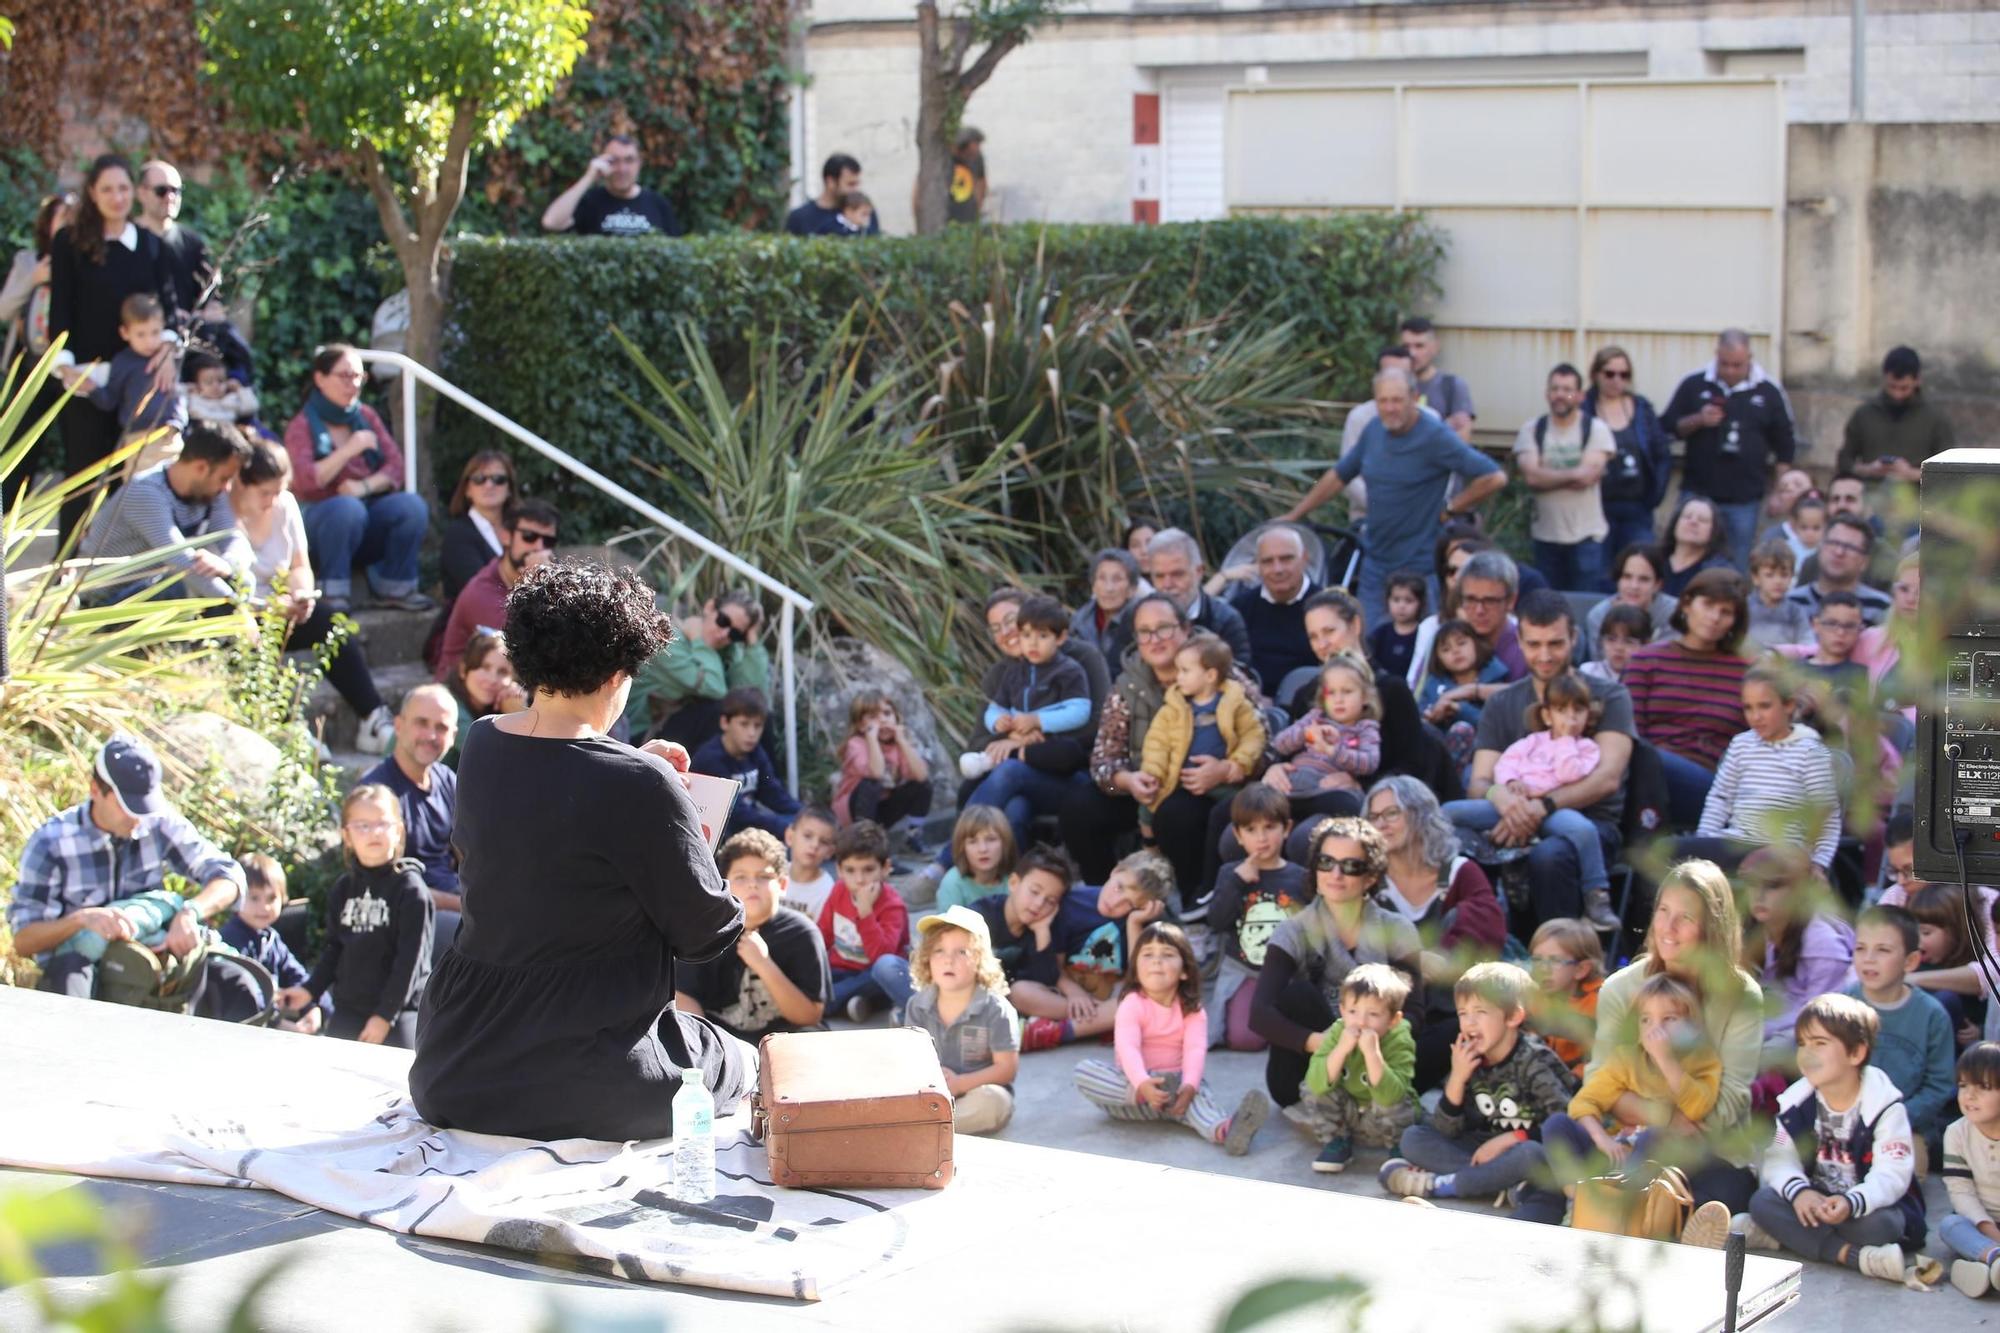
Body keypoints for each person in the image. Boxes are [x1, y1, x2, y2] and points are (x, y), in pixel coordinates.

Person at [410, 556, 759, 1140]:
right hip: (593, 1076)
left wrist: (642, 775)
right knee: (736, 1059)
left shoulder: (482, 745)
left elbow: (557, 805)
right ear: (616, 674)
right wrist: (671, 807)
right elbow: (708, 933)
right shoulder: (641, 786)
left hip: (457, 1067)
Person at [1587, 860, 1766, 1232]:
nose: (1668, 928)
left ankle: (1640, 1219)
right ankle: (1656, 1221)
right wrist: (1668, 1117)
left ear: (1712, 927)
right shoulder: (1621, 989)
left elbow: (1731, 1101)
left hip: (1709, 1147)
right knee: (1563, 1136)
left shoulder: (1742, 995)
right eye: (1663, 911)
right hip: (1629, 1137)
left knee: (1722, 1193)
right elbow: (1599, 1086)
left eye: (1684, 917)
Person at [7, 735, 245, 1000]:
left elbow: (230, 877)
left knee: (239, 983)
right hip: (80, 972)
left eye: (145, 805)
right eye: (127, 805)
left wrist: (190, 912)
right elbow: (24, 942)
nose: (137, 817)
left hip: (148, 960)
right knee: (70, 976)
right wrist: (80, 920)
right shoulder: (51, 843)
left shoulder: (157, 822)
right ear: (95, 790)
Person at [1280, 366, 1504, 627]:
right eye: (1383, 401)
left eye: (1397, 400)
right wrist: (1294, 515)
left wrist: (1451, 508)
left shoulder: (1435, 435)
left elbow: (1494, 478)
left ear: (1414, 397)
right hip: (1376, 564)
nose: (1390, 408)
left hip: (1420, 567)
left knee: (1423, 648)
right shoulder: (1374, 431)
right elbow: (1338, 476)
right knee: (1368, 643)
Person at [1467, 592, 1636, 932]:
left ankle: (1562, 964)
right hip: (1508, 817)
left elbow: (1606, 778)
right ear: (1519, 641)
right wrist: (1504, 800)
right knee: (1455, 840)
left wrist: (1540, 807)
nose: (1544, 655)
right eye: (1534, 644)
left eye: (1555, 643)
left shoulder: (1610, 696)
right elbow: (1479, 782)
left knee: (1549, 857)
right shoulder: (1503, 702)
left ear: (1574, 638)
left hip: (1590, 824)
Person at [1744, 994, 1933, 1285]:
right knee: (1762, 1201)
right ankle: (1854, 1256)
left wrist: (1851, 1201)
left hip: (1864, 1207)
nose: (1807, 1054)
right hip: (1816, 1200)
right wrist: (1801, 1193)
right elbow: (1779, 1157)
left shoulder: (1884, 1107)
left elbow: (1891, 1175)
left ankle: (1782, 1237)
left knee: (1880, 1226)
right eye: (1803, 1044)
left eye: (1820, 1043)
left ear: (1856, 1053)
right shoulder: (1796, 1104)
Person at [1062, 593, 1239, 893]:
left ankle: (1193, 903)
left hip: (1203, 787)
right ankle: (1108, 896)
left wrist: (1225, 769)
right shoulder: (1126, 686)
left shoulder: (1218, 673)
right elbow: (1104, 760)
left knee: (1176, 814)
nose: (1154, 639)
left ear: (1186, 629)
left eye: (1164, 628)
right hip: (1142, 789)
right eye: (1144, 632)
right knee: (1079, 807)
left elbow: (1263, 738)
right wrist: (1127, 781)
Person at [1376, 961, 1576, 1224]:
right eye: (1462, 1013)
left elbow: (1565, 1121)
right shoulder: (1468, 1055)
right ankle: (1501, 1183)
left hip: (1526, 1147)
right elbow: (1446, 1130)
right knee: (1413, 1138)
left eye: (1480, 1011)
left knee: (1531, 1155)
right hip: (1480, 1150)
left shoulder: (1533, 1060)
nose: (1469, 1022)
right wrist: (1457, 1078)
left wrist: (1512, 1138)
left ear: (1513, 1017)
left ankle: (1440, 1185)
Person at [231, 437, 396, 755]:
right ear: (242, 483)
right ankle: (283, 727)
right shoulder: (221, 511)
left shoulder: (285, 505)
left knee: (333, 627)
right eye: (265, 492)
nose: (273, 500)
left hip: (285, 609)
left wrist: (302, 595)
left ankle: (372, 716)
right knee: (250, 643)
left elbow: (300, 565)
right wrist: (267, 607)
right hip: (243, 614)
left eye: (278, 491)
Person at [48, 155, 182, 540]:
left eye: (123, 188)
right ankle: (66, 571)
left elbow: (170, 309)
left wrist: (169, 351)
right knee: (82, 478)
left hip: (138, 382)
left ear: (134, 192)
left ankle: (118, 577)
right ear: (93, 193)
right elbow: (62, 308)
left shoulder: (152, 246)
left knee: (132, 483)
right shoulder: (69, 243)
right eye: (107, 189)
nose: (117, 197)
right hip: (87, 380)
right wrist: (66, 367)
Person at [1248, 817, 1424, 1107]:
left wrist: (1371, 1041)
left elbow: (1415, 1013)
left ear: (1370, 877)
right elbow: (1259, 1014)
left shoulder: (1398, 929)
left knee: (1449, 1032)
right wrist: (1326, 1044)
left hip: (1379, 1053)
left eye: (1351, 866)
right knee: (1297, 994)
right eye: (1326, 862)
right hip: (1318, 1061)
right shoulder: (1294, 929)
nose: (1336, 874)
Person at [1070, 921, 1270, 1153]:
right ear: (1136, 966)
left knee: (1200, 1102)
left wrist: (1189, 1086)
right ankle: (1157, 1093)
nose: (1157, 960)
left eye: (1167, 954)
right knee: (1084, 1071)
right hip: (1133, 1094)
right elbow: (1128, 1048)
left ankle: (1225, 1131)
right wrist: (1143, 1085)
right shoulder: (1132, 1003)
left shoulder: (1192, 1010)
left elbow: (1194, 1051)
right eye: (1148, 954)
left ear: (1184, 970)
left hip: (1178, 1095)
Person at [1364, 775, 1506, 1091]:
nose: (1381, 824)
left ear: (1419, 814)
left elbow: (1490, 932)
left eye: (1392, 814)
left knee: (1465, 917)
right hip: (1393, 1011)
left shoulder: (1459, 871)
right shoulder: (1369, 879)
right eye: (1374, 817)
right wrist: (1413, 962)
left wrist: (1441, 956)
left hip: (1453, 1005)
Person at [1446, 671, 1613, 923]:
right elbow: (1504, 763)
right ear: (1547, 715)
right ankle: (1440, 878)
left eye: (1577, 711)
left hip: (1551, 810)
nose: (1570, 717)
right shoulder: (1532, 741)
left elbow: (1570, 774)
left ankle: (1597, 895)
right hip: (1513, 804)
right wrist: (1510, 784)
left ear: (1588, 715)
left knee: (1584, 830)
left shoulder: (1586, 748)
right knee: (1449, 811)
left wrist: (1567, 739)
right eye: (1561, 710)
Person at [277, 784, 433, 1047]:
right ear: (346, 836)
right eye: (362, 825)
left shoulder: (411, 891)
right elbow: (335, 949)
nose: (374, 832)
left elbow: (410, 962)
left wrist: (384, 1016)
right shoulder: (343, 889)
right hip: (350, 1008)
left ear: (399, 831)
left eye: (383, 823)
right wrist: (309, 990)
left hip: (399, 1011)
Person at [284, 343, 432, 614]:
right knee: (346, 508)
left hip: (365, 513)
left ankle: (395, 588)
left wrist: (363, 486)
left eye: (359, 377)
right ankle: (333, 593)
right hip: (320, 523)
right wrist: (349, 450)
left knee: (411, 507)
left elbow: (396, 467)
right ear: (320, 378)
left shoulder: (366, 416)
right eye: (345, 376)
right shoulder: (301, 426)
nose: (353, 384)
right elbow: (305, 481)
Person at [1543, 973, 1722, 1174]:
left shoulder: (1702, 1059)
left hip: (1668, 1160)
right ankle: (1576, 1197)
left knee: (1653, 1137)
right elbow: (1582, 1104)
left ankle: (1625, 1199)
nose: (1656, 1028)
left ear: (1692, 1026)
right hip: (1622, 1151)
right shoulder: (1626, 1059)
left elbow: (1697, 1108)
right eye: (1646, 1019)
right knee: (1556, 1124)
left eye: (1669, 1019)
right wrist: (1602, 1140)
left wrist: (1665, 1060)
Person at [673, 828, 830, 1043]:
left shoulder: (802, 933)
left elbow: (810, 1016)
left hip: (782, 1042)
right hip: (722, 1042)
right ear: (724, 884)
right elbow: (683, 996)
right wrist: (703, 1047)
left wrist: (764, 964)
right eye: (740, 877)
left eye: (764, 876)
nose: (752, 884)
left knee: (814, 1038)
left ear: (783, 885)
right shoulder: (706, 931)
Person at [1623, 567, 1752, 828]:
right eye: (1708, 605)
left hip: (1710, 783)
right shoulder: (1646, 660)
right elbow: (1630, 731)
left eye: (1726, 612)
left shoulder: (1745, 672)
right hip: (1646, 772)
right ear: (1687, 604)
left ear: (1734, 622)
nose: (1715, 617)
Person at [1661, 330, 1799, 570]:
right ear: (1716, 355)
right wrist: (1698, 419)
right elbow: (1667, 428)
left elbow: (1785, 447)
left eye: (1738, 365)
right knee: (1684, 557)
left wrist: (1780, 492)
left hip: (1744, 498)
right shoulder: (1694, 383)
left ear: (1750, 358)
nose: (1731, 371)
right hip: (1696, 494)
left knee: (1737, 563)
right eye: (1725, 364)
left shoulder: (1769, 390)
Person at [1683, 667, 1840, 873]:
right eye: (1748, 708)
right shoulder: (1741, 744)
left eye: (1764, 706)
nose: (1755, 716)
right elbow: (1721, 798)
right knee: (1667, 852)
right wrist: (1704, 841)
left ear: (1789, 705)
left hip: (1780, 849)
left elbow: (1826, 814)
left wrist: (1819, 864)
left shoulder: (1810, 750)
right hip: (1735, 842)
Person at [78, 418, 251, 605]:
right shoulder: (145, 492)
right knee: (179, 584)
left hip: (153, 588)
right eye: (224, 478)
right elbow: (181, 562)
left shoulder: (210, 491)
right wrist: (242, 609)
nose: (227, 488)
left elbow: (235, 539)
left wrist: (228, 564)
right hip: (104, 599)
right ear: (201, 467)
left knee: (244, 578)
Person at [1137, 634, 1265, 854]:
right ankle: (1151, 851)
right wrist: (1153, 771)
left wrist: (1236, 765)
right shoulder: (1173, 708)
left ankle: (1246, 851)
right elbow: (1156, 742)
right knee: (1147, 808)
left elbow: (1253, 736)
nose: (1179, 677)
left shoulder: (1235, 704)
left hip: (1223, 782)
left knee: (1241, 810)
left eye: (1185, 671)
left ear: (1210, 675)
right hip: (1178, 781)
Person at [1844, 905, 1955, 1152]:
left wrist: (1896, 1118)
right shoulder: (1839, 1006)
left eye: (1883, 950)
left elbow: (1939, 1085)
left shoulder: (1932, 1016)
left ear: (1911, 960)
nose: (1869, 958)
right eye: (1861, 948)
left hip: (1906, 1125)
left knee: (1906, 1172)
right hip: (1843, 1121)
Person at [359, 685, 461, 955]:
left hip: (453, 895)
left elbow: (472, 853)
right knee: (478, 932)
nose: (430, 735)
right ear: (399, 726)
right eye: (421, 723)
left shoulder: (448, 781)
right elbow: (387, 889)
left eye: (441, 728)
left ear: (453, 737)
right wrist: (465, 905)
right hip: (407, 914)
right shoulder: (376, 794)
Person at [904, 904, 1019, 1136]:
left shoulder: (996, 1009)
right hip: (931, 1093)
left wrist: (960, 1084)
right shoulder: (917, 1005)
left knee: (994, 1103)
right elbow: (907, 1061)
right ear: (926, 958)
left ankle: (930, 1131)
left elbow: (1007, 1069)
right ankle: (931, 1127)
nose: (949, 960)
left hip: (977, 1091)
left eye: (962, 952)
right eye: (939, 951)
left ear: (979, 960)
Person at [1297, 962, 1420, 1173]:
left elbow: (1392, 1095)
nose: (1361, 1022)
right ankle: (1336, 1141)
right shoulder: (1339, 1032)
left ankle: (1399, 1148)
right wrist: (1341, 1050)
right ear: (1342, 1010)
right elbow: (1316, 1082)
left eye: (1373, 1014)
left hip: (1383, 1119)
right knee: (1309, 1086)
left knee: (1399, 1102)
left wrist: (1373, 1054)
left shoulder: (1399, 1038)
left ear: (1393, 1020)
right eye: (1353, 1011)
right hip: (1350, 1114)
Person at [1740, 848, 1856, 1065]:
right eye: (1752, 884)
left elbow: (1821, 1016)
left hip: (1814, 1033)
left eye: (1773, 886)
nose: (1759, 895)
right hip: (1772, 1020)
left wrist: (1757, 1030)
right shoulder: (1760, 928)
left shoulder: (1824, 942)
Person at [622, 588, 769, 750]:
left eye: (735, 634)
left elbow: (753, 696)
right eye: (723, 621)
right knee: (715, 712)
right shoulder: (670, 642)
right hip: (638, 737)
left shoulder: (723, 652)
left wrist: (752, 643)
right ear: (710, 607)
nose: (724, 634)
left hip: (673, 731)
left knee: (755, 716)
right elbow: (717, 690)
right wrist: (701, 642)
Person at [58, 292, 186, 477]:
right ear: (125, 333)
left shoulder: (169, 356)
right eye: (141, 334)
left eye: (155, 332)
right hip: (139, 438)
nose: (149, 341)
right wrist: (92, 389)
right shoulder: (123, 362)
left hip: (172, 433)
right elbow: (110, 399)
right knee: (141, 492)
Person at [1515, 362, 1616, 592]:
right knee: (1547, 605)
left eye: (1568, 390)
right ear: (1547, 393)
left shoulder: (1596, 429)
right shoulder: (1532, 429)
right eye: (1555, 389)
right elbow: (1532, 478)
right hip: (1546, 537)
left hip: (1586, 537)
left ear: (1580, 396)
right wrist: (1573, 473)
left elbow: (1587, 478)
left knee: (1585, 604)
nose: (1560, 395)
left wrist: (1546, 476)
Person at [434, 497, 558, 677]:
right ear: (506, 536)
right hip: (463, 695)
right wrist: (537, 583)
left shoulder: (543, 579)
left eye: (548, 541)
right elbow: (525, 647)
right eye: (529, 537)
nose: (539, 548)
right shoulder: (481, 592)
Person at [1836, 345, 1953, 513]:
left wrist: (1910, 473)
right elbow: (1844, 462)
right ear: (1884, 379)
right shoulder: (1864, 414)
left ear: (1917, 380)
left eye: (1904, 388)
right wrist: (1870, 469)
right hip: (1870, 501)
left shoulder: (1936, 418)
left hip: (1917, 504)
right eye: (1892, 387)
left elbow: (1948, 472)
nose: (1897, 394)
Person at [1584, 345, 1674, 559]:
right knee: (1600, 574)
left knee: (1640, 562)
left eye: (1624, 375)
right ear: (1596, 375)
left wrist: (1655, 496)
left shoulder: (1641, 408)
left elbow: (1662, 454)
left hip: (1637, 507)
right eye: (1610, 374)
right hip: (1596, 507)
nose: (1617, 380)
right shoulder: (1585, 407)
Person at [817, 819, 913, 1022]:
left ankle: (835, 1002)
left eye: (868, 870)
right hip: (841, 969)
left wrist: (865, 913)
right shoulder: (838, 891)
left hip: (872, 975)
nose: (859, 879)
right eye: (850, 870)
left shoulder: (892, 905)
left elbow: (881, 956)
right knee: (814, 982)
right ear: (840, 870)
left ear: (885, 868)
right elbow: (822, 934)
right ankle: (854, 1004)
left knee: (878, 977)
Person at [221, 854, 324, 1033]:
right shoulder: (231, 940)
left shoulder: (270, 938)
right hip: (242, 1029)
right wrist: (280, 1026)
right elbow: (241, 998)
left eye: (271, 898)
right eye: (254, 898)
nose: (265, 907)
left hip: (272, 1022)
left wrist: (312, 1006)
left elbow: (296, 974)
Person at [691, 687, 800, 838]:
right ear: (725, 722)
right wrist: (784, 828)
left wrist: (806, 816)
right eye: (744, 724)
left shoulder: (755, 752)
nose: (751, 733)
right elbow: (736, 813)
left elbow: (775, 794)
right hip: (722, 833)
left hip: (749, 826)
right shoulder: (710, 759)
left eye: (757, 726)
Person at [1267, 656, 1379, 802]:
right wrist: (1306, 734)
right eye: (1331, 692)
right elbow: (1279, 744)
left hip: (1328, 789)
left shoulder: (1366, 729)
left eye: (1347, 691)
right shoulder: (1315, 717)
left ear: (1365, 697)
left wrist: (1333, 750)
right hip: (1294, 779)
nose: (1338, 699)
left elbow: (1369, 763)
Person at [967, 845, 1069, 1006]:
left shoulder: (1041, 928)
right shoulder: (979, 917)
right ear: (1014, 883)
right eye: (1035, 892)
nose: (1039, 904)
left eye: (1050, 901)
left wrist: (1042, 931)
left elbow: (1046, 981)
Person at [1227, 525, 1320, 689]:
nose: (1277, 569)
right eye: (1268, 561)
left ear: (1304, 558)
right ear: (1257, 564)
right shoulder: (1240, 608)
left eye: (1286, 559)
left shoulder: (1327, 607)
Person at [1144, 528, 1252, 668]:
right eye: (1159, 576)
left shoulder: (1226, 620)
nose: (1168, 585)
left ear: (1199, 572)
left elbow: (1242, 677)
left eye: (1177, 574)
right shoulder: (1137, 617)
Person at [540, 135, 684, 238]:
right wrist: (589, 177)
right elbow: (551, 222)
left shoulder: (658, 204)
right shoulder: (591, 201)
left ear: (639, 164)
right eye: (614, 161)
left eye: (629, 160)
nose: (622, 169)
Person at [1942, 1044, 2000, 1300]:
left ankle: (1980, 1267)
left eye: (1983, 1087)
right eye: (1964, 1085)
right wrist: (1989, 1229)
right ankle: (1993, 1257)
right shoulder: (1956, 1132)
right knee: (1950, 1225)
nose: (1969, 1095)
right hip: (1980, 1222)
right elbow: (1960, 1191)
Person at [830, 689, 932, 832]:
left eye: (887, 713)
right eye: (873, 716)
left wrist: (902, 741)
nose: (883, 720)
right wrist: (872, 739)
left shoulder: (897, 745)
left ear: (896, 717)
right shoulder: (856, 744)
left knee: (922, 786)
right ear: (860, 725)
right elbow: (876, 773)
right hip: (855, 812)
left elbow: (922, 775)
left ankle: (914, 835)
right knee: (871, 784)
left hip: (881, 808)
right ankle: (864, 839)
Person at [1417, 616, 1507, 772]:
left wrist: (1460, 709)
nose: (1455, 651)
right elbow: (1420, 716)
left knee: (1462, 730)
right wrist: (1431, 716)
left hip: (1483, 756)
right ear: (1437, 658)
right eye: (1446, 649)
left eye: (1461, 643)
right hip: (1439, 752)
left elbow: (1496, 726)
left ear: (1477, 644)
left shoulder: (1495, 680)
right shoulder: (1434, 684)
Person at [0, 191, 73, 374]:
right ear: (48, 223)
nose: (71, 225)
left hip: (68, 365)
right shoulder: (27, 262)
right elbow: (3, 311)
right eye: (65, 218)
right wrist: (33, 279)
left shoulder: (87, 266)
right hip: (27, 364)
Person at [136, 160, 215, 318]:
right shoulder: (128, 240)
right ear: (141, 193)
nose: (170, 197)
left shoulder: (193, 243)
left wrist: (196, 316)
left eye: (176, 190)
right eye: (161, 190)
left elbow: (212, 300)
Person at [1527, 917, 1604, 1076]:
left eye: (1554, 961)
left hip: (1581, 1083)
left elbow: (1600, 1058)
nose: (1543, 970)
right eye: (1537, 959)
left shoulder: (1600, 1002)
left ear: (1581, 969)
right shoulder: (1531, 995)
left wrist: (1574, 1078)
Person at [1785, 513, 1892, 625]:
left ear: (1864, 562)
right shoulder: (1790, 604)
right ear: (1820, 548)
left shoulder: (1881, 608)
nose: (1839, 552)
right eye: (1834, 543)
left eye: (1850, 547)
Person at [439, 450, 516, 605]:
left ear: (509, 489)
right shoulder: (457, 535)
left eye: (498, 479)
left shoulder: (523, 531)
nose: (489, 485)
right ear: (467, 489)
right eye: (479, 479)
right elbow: (479, 590)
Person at [441, 630, 526, 769]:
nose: (493, 679)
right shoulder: (447, 705)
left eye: (502, 672)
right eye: (485, 667)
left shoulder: (499, 707)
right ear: (463, 670)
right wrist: (517, 718)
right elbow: (492, 760)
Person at [1584, 544, 1677, 659]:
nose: (1634, 586)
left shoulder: (1674, 614)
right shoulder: (1599, 615)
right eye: (1627, 577)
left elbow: (1666, 663)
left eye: (1644, 579)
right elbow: (1601, 665)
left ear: (1657, 585)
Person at [1398, 316, 1475, 442]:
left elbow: (1461, 442)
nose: (1412, 353)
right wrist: (1445, 426)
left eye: (1419, 346)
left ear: (1435, 347)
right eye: (1406, 347)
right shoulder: (1392, 387)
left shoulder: (1453, 386)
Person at [936, 806, 1016, 913]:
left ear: (1005, 843)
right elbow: (948, 929)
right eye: (973, 841)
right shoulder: (953, 884)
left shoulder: (1014, 880)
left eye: (991, 839)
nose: (983, 849)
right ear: (962, 847)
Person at [786, 153, 882, 237]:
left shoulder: (863, 211)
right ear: (830, 182)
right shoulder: (800, 218)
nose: (855, 190)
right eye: (850, 184)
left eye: (857, 184)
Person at [1658, 495, 1735, 597]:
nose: (1693, 522)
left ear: (1714, 531)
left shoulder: (1719, 574)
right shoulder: (1654, 561)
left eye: (1702, 520)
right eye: (1687, 516)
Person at [1070, 548, 1140, 660]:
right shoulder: (1078, 621)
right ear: (1093, 586)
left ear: (1132, 589)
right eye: (1102, 578)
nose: (1109, 588)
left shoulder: (1140, 622)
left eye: (1117, 579)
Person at [1744, 539, 1812, 652]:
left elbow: (1807, 644)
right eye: (1770, 575)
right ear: (1756, 578)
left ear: (1792, 577)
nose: (1778, 581)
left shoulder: (1795, 611)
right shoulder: (1745, 609)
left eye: (1784, 575)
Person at [779, 806, 839, 921]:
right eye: (808, 836)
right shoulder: (772, 875)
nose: (815, 845)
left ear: (830, 851)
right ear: (790, 836)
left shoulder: (828, 891)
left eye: (824, 842)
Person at [1368, 572, 1426, 681]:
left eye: (1409, 601)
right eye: (1396, 600)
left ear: (1421, 603)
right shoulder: (1381, 633)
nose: (1401, 606)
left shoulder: (1424, 634)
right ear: (1387, 601)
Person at [181, 349, 258, 428]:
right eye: (209, 382)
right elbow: (174, 393)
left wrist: (240, 389)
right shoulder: (193, 399)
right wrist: (187, 388)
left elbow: (251, 407)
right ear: (198, 384)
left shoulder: (230, 400)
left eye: (221, 381)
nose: (215, 386)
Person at [1582, 604, 1650, 686]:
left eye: (1628, 642)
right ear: (1602, 641)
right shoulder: (1588, 672)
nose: (1619, 648)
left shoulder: (1650, 677)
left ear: (1645, 645)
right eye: (1611, 639)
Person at [1767, 492, 1827, 570]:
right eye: (1804, 527)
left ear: (1826, 527)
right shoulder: (1787, 549)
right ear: (1795, 527)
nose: (1810, 533)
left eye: (1816, 528)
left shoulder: (1827, 551)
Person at [947, 127, 987, 225]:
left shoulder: (977, 158)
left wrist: (978, 207)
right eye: (971, 153)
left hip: (969, 215)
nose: (977, 151)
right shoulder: (945, 160)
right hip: (946, 214)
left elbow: (981, 182)